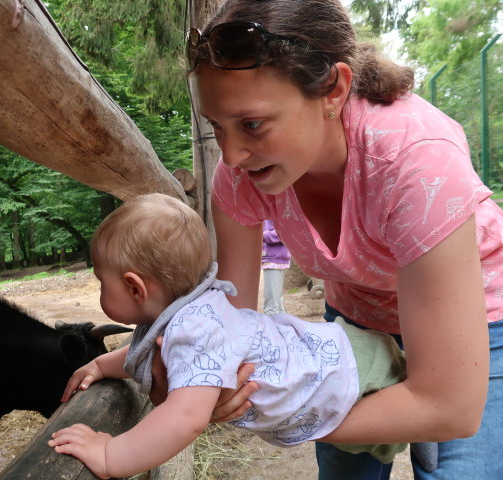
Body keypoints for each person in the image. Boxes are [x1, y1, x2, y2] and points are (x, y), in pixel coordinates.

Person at [184, 0, 503, 479]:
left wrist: (288, 411)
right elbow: (233, 321)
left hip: (476, 312)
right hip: (356, 314)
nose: (230, 156)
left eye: (251, 124)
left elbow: (452, 407)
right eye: (216, 127)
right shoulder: (240, 175)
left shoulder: (416, 160)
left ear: (333, 90)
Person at [48, 193, 409, 479]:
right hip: (341, 349)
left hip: (348, 374)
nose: (99, 291)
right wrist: (100, 365)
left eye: (101, 282)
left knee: (406, 426)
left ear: (135, 287)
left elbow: (184, 418)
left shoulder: (193, 332)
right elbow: (141, 354)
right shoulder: (190, 309)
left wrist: (111, 454)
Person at [261, 219, 291, 314]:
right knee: (277, 303)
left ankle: (271, 328)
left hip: (274, 260)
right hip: (275, 259)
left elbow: (284, 232)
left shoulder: (276, 213)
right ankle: (282, 328)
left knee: (271, 307)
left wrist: (260, 235)